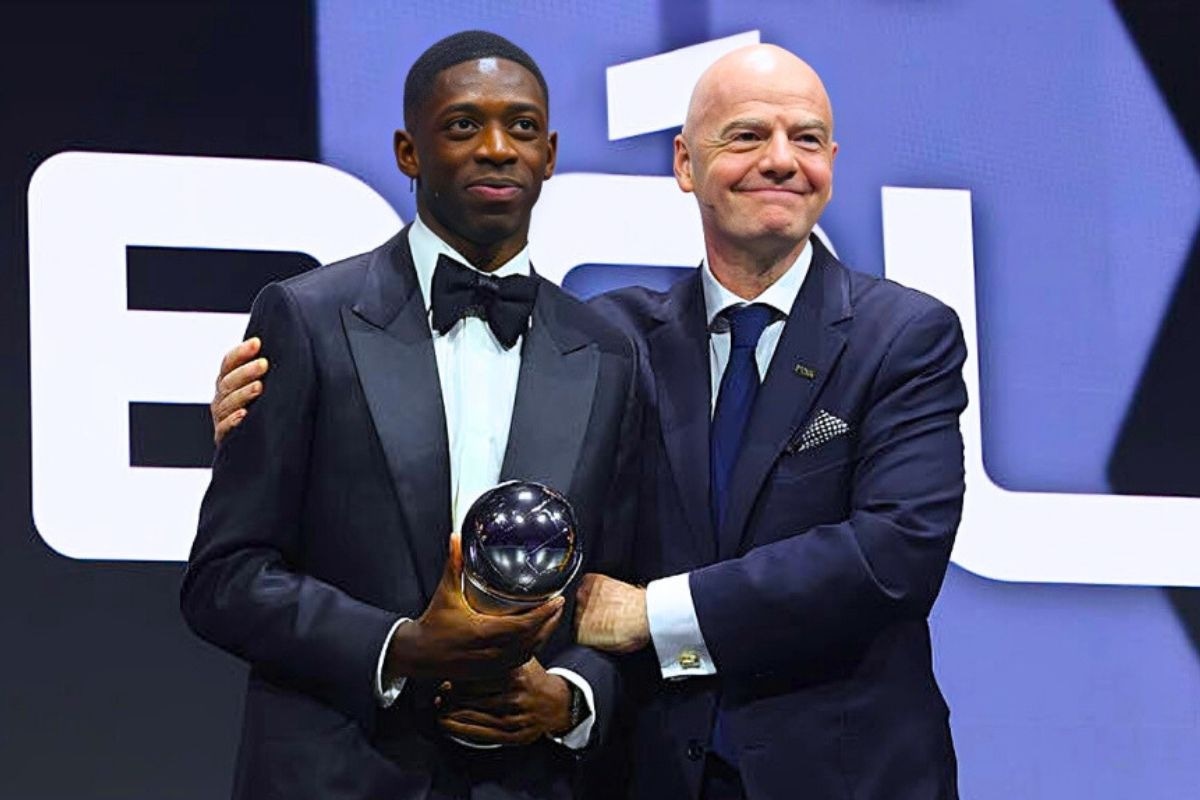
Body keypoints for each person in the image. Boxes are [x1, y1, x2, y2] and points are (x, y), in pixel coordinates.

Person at [214, 43, 967, 800]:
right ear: (685, 163)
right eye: (744, 135)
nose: (779, 160)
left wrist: (632, 634)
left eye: (805, 138)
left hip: (842, 773)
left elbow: (894, 553)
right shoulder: (613, 342)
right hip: (645, 775)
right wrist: (272, 414)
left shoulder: (903, 337)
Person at [183, 31, 641, 800]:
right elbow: (225, 578)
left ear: (553, 153)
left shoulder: (608, 354)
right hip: (337, 771)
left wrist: (569, 696)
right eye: (464, 124)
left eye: (522, 127)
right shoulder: (306, 318)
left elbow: (622, 587)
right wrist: (402, 647)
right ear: (407, 150)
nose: (497, 148)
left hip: (527, 780)